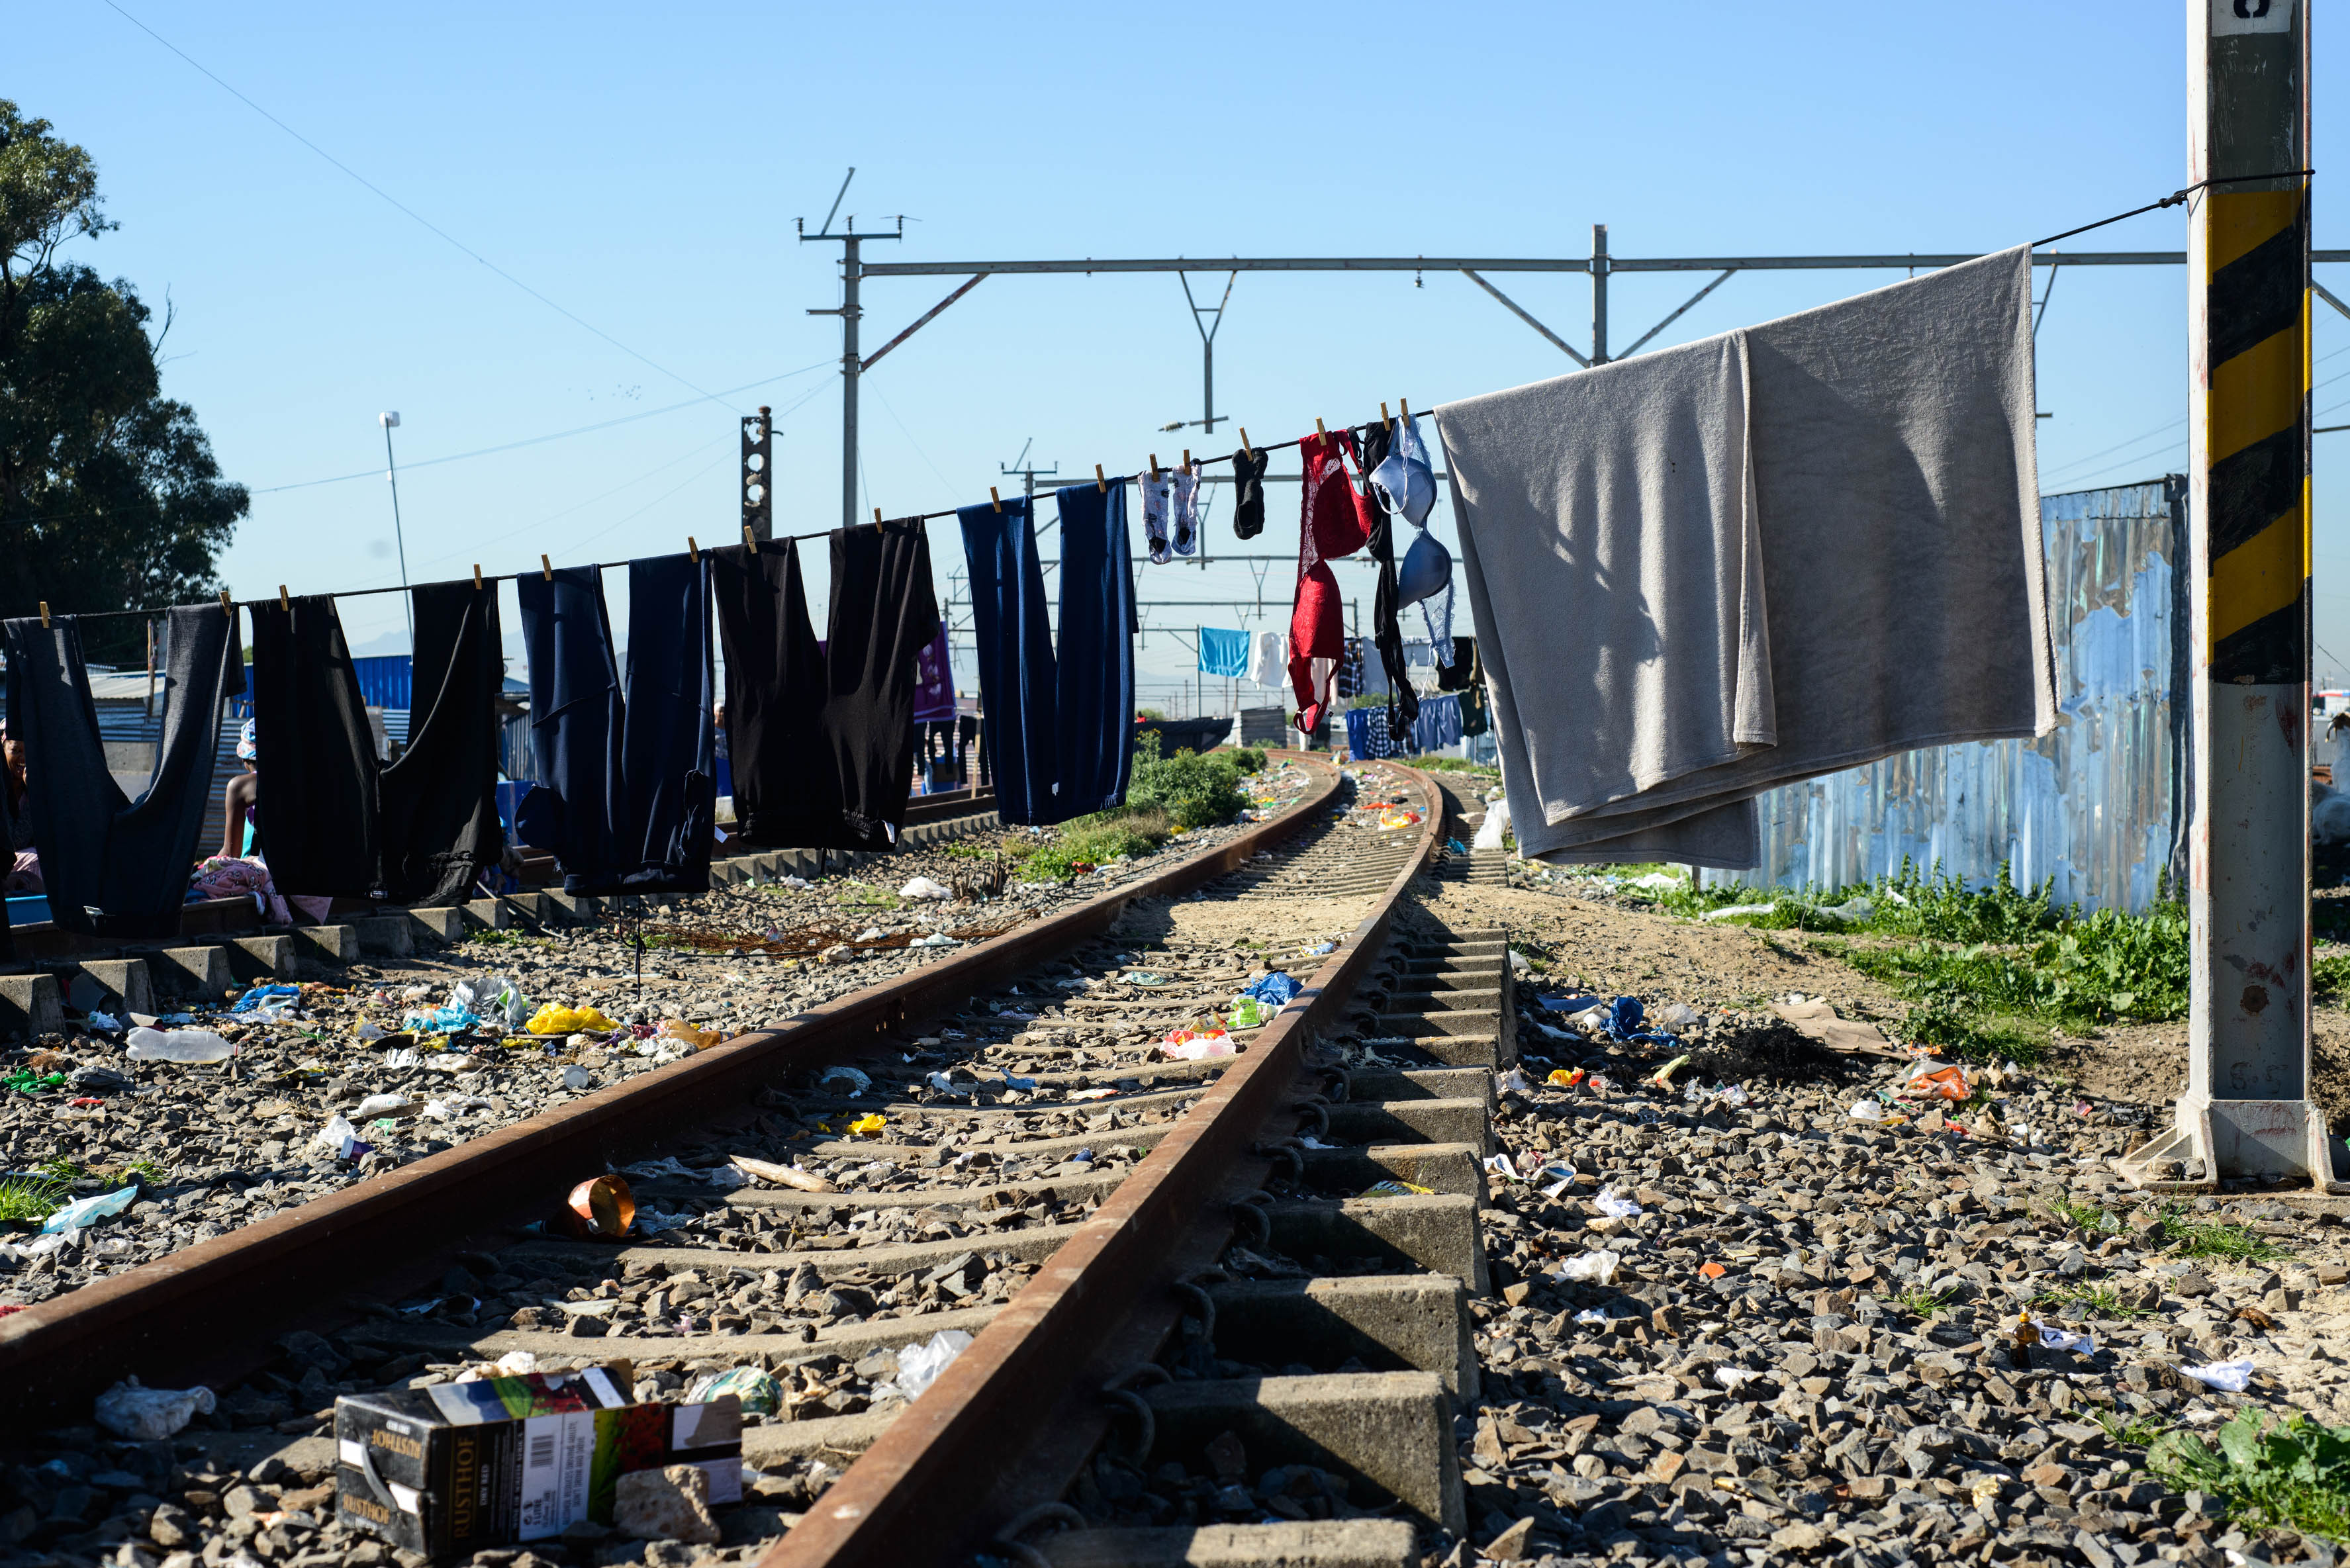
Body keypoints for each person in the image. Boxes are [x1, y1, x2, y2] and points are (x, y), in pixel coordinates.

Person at [218, 719, 259, 860]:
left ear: (244, 758)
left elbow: (230, 853)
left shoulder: (240, 786)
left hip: (264, 873)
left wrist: (206, 868)